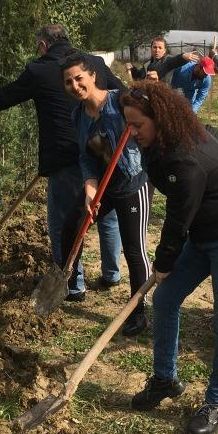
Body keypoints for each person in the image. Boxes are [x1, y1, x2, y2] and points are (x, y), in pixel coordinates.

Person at [120, 80, 218, 434]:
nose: (131, 131)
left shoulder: (185, 159)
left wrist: (165, 260)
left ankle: (216, 403)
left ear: (160, 119)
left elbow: (177, 218)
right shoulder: (164, 141)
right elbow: (216, 138)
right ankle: (165, 379)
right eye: (128, 123)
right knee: (166, 299)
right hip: (205, 234)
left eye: (137, 124)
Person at [0, 25, 122, 298]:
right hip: (101, 149)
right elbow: (122, 93)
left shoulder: (38, 70)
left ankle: (73, 284)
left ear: (42, 46)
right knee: (106, 211)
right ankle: (112, 274)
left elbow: (6, 96)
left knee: (63, 220)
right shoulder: (93, 63)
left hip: (63, 155)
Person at [60, 53, 151, 334]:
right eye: (68, 82)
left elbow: (150, 114)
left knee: (134, 249)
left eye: (79, 78)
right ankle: (68, 281)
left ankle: (138, 310)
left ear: (93, 77)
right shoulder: (78, 115)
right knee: (71, 225)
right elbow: (86, 157)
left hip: (132, 182)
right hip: (104, 185)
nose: (75, 86)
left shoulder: (120, 101)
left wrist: (149, 88)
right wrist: (89, 187)